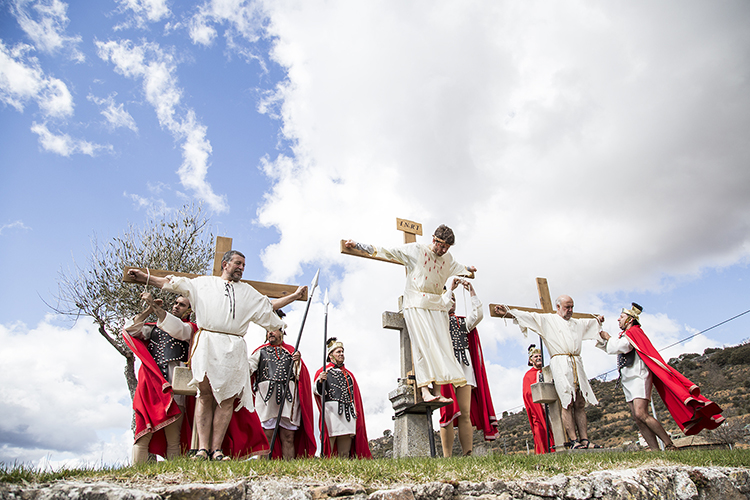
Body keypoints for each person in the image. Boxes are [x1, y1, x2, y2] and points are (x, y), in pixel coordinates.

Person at [127, 250, 285, 461]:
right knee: (204, 395)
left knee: (227, 400)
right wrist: (146, 277)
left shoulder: (248, 292)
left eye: (244, 265)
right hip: (208, 342)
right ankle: (202, 449)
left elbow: (267, 308)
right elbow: (172, 283)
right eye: (238, 263)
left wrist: (291, 301)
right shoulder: (202, 284)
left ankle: (217, 449)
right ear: (225, 264)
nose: (241, 268)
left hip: (234, 346)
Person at [344, 224, 476, 404]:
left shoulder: (447, 257)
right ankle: (425, 390)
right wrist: (358, 245)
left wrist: (468, 269)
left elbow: (457, 266)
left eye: (447, 247)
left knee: (440, 346)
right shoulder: (416, 250)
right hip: (416, 302)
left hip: (437, 305)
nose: (444, 250)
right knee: (423, 345)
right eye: (441, 245)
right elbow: (388, 251)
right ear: (434, 239)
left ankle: (437, 390)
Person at [599, 303, 724, 449]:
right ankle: (655, 451)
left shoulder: (634, 332)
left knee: (641, 413)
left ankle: (669, 444)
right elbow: (611, 347)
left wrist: (608, 337)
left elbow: (620, 346)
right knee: (638, 418)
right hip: (627, 380)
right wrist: (599, 332)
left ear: (630, 319)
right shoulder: (624, 335)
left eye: (621, 317)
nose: (618, 319)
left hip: (639, 377)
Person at [494, 295, 604, 449]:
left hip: (576, 362)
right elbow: (529, 316)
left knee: (580, 402)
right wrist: (508, 312)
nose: (570, 310)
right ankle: (573, 440)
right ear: (558, 307)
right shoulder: (548, 320)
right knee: (567, 401)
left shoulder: (576, 323)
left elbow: (590, 323)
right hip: (560, 363)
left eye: (572, 307)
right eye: (567, 307)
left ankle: (584, 439)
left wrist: (598, 320)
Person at [123, 292, 196, 463]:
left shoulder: (190, 329)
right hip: (152, 383)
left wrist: (155, 306)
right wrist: (149, 309)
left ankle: (175, 473)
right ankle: (137, 473)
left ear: (189, 310)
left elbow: (176, 329)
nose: (176, 306)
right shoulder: (153, 328)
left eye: (182, 305)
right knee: (143, 434)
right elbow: (130, 329)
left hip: (176, 385)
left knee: (174, 438)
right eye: (176, 303)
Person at [438, 278, 498, 456]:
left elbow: (477, 315)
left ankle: (467, 452)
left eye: (454, 299)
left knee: (465, 412)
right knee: (448, 412)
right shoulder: (437, 320)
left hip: (464, 368)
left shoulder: (462, 322)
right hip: (447, 368)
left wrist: (472, 292)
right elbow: (441, 309)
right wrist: (450, 289)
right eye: (449, 299)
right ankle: (447, 456)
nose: (452, 302)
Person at [249, 312, 316, 460]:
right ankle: (263, 467)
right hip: (265, 401)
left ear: (281, 332)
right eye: (268, 330)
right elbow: (249, 369)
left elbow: (299, 376)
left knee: (288, 436)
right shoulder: (260, 352)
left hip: (288, 399)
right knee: (266, 435)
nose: (270, 333)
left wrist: (297, 361)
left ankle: (289, 467)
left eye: (273, 329)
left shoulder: (291, 351)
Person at [314, 337, 373, 459]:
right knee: (328, 449)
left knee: (344, 453)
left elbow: (354, 397)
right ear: (331, 355)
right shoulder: (324, 372)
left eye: (342, 351)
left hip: (347, 414)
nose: (341, 354)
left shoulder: (349, 375)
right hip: (331, 414)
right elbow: (317, 391)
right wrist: (320, 381)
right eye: (338, 352)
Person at [522, 345, 554, 454]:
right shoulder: (528, 375)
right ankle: (543, 452)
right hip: (538, 409)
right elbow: (527, 394)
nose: (539, 358)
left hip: (551, 406)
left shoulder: (548, 371)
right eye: (536, 356)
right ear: (531, 360)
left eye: (540, 356)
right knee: (540, 429)